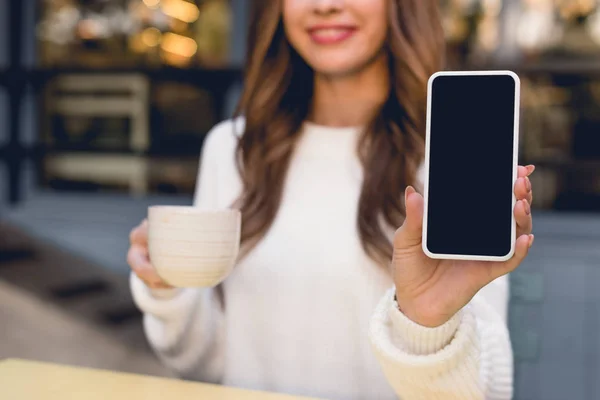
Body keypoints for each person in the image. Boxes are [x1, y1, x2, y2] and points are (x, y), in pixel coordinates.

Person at [128, 1, 535, 399]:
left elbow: (484, 390)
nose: (324, 5)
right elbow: (213, 365)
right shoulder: (232, 149)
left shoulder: (453, 160)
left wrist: (428, 327)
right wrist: (168, 289)